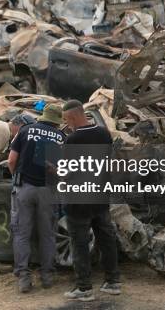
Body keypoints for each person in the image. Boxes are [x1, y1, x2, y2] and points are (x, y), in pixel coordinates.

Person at [61, 100, 120, 302]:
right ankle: (112, 282)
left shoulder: (73, 139)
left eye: (67, 120)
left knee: (79, 243)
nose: (67, 124)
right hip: (100, 196)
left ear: (75, 116)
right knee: (106, 239)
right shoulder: (104, 133)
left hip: (79, 201)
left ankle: (84, 288)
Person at [8, 104, 66, 293]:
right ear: (57, 121)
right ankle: (47, 276)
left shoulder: (25, 130)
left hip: (24, 188)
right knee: (47, 234)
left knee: (22, 234)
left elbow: (11, 160)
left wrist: (17, 177)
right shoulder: (61, 137)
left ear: (43, 116)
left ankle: (24, 278)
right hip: (47, 191)